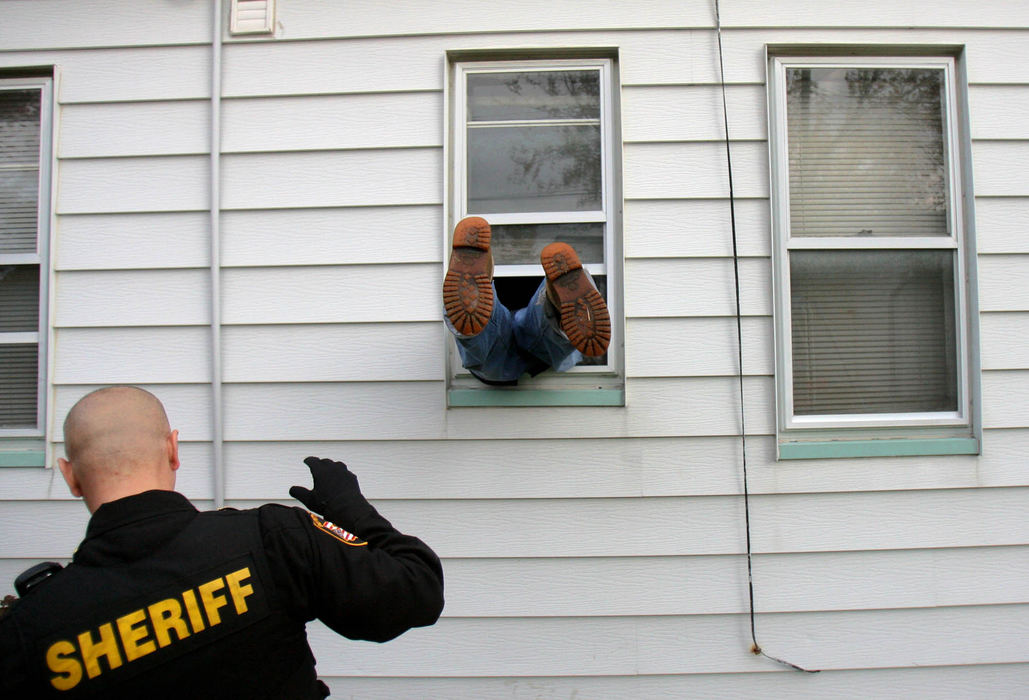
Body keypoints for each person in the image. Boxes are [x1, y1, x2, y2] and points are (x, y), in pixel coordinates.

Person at [0, 386, 444, 699]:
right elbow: (417, 591)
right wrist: (350, 509)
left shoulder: (29, 632)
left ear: (70, 476)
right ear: (174, 450)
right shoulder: (274, 539)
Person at [442, 216, 611, 384]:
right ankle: (555, 311)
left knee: (488, 345)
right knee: (539, 332)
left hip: (498, 359)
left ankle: (471, 325)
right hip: (538, 344)